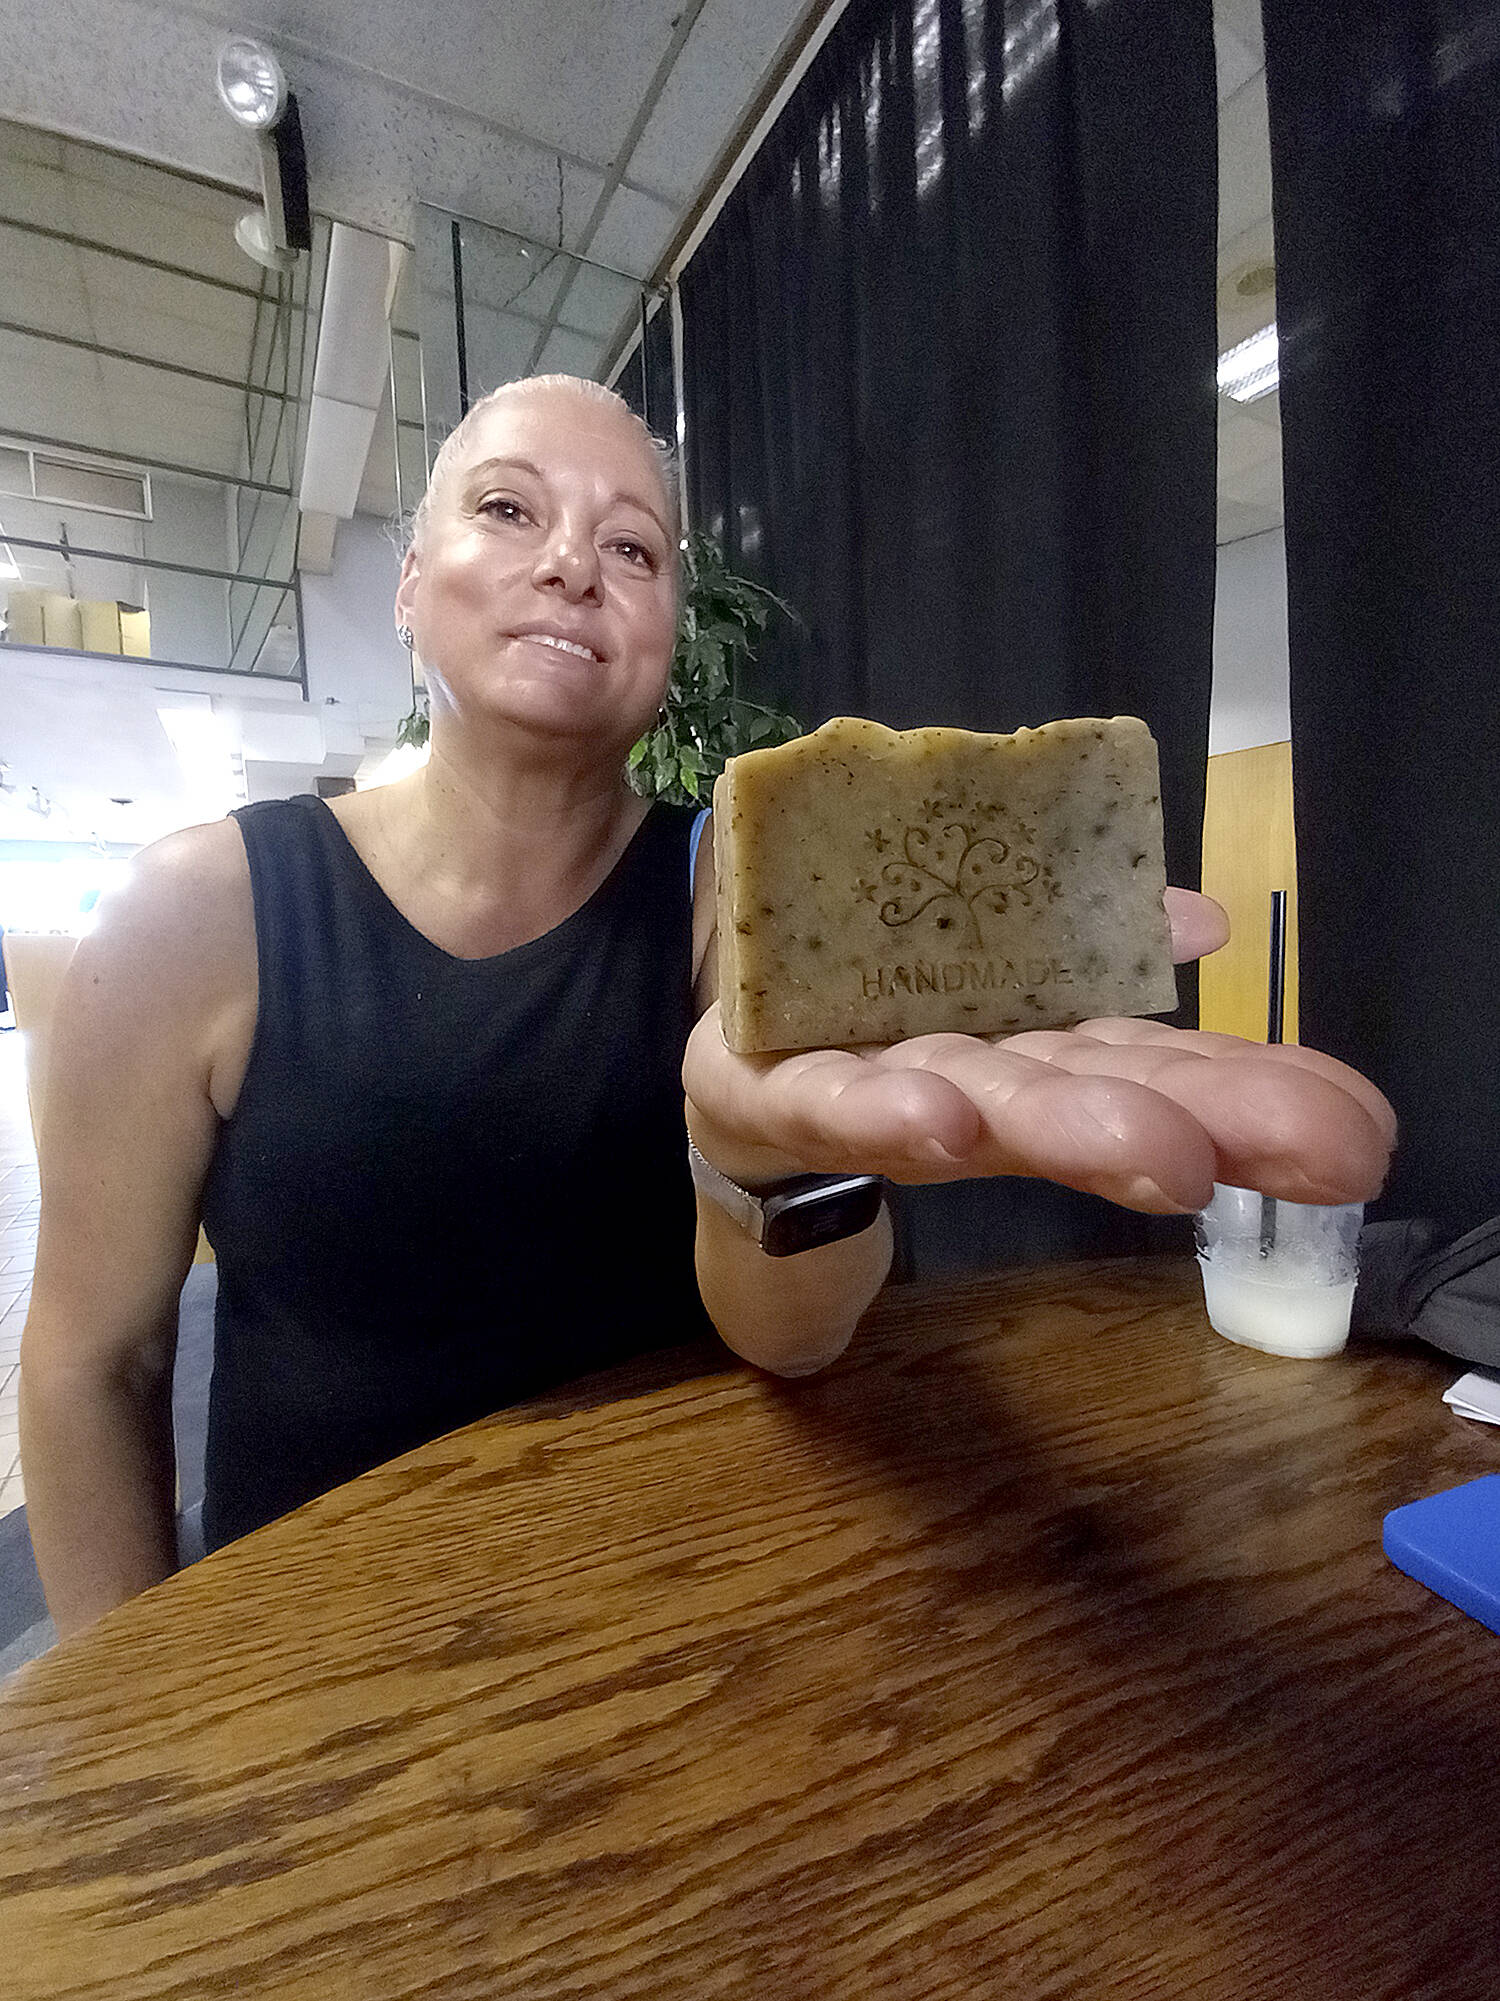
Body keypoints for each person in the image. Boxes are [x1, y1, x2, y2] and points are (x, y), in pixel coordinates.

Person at [19, 375, 1395, 1641]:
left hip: (677, 1608)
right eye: (508, 509)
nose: (572, 562)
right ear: (410, 583)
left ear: (670, 626)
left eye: (634, 548)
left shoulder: (745, 897)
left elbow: (795, 1332)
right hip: (313, 1628)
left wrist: (771, 1155)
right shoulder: (195, 914)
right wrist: (127, 1736)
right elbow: (97, 1362)